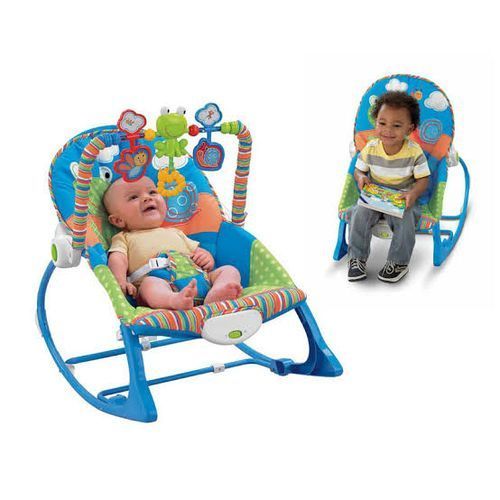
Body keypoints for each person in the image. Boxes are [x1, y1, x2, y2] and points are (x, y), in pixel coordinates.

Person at [103, 176, 243, 309]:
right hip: (161, 284)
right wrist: (120, 281)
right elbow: (118, 259)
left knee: (229, 270)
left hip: (200, 279)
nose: (147, 197)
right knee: (148, 286)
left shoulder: (175, 232)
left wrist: (206, 257)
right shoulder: (124, 238)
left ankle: (217, 292)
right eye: (133, 197)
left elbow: (197, 251)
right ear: (118, 220)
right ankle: (174, 300)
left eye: (152, 192)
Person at [348, 91, 430, 283]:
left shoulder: (414, 152)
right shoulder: (370, 148)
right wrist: (361, 177)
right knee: (359, 213)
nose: (388, 130)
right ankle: (357, 258)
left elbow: (423, 179)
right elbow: (358, 170)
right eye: (382, 123)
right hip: (375, 194)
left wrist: (413, 193)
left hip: (401, 195)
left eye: (397, 125)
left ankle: (398, 262)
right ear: (376, 122)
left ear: (409, 129)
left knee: (406, 218)